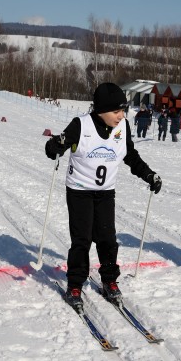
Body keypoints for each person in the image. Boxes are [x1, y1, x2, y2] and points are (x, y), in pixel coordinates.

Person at [44, 82, 162, 310]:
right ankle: (75, 284)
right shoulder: (81, 125)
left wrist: (149, 174)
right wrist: (55, 146)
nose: (121, 116)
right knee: (82, 240)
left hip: (106, 192)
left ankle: (109, 280)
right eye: (116, 111)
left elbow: (131, 156)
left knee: (107, 238)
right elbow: (54, 148)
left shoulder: (123, 127)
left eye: (123, 111)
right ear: (101, 110)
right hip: (80, 191)